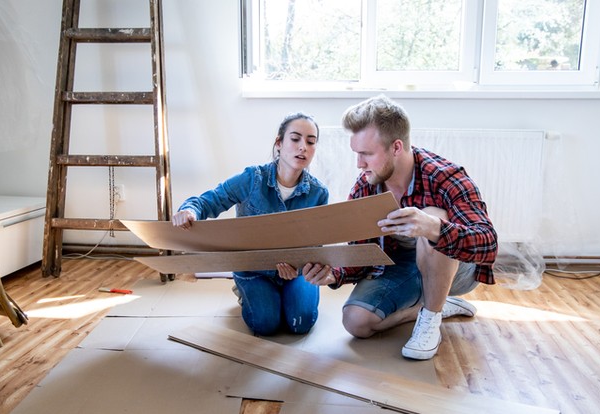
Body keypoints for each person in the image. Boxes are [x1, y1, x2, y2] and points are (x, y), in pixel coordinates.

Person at [318, 95, 498, 360]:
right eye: (357, 154)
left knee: (434, 215)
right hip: (401, 266)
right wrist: (332, 274)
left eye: (367, 154)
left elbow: (488, 244)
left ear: (396, 147)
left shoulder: (444, 176)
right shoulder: (366, 186)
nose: (359, 164)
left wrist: (434, 228)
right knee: (356, 322)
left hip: (454, 266)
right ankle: (432, 306)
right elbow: (361, 252)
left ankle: (431, 319)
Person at [172, 112, 333, 336]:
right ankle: (247, 290)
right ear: (279, 143)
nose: (303, 147)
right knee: (266, 325)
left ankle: (286, 297)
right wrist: (189, 210)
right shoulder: (252, 179)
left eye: (310, 141)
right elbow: (210, 200)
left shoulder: (318, 193)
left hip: (296, 273)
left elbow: (317, 246)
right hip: (254, 270)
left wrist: (298, 267)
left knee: (300, 323)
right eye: (295, 139)